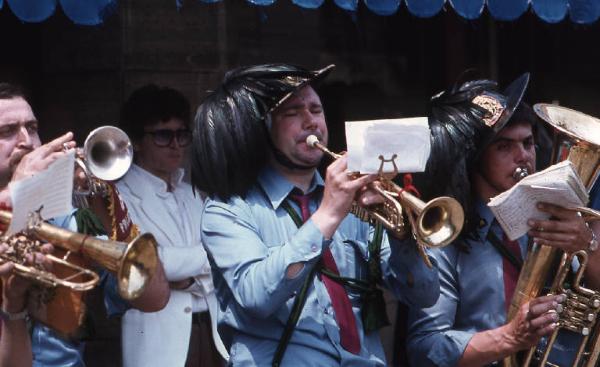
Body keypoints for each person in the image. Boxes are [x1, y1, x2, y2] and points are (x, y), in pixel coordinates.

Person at [191, 63, 440, 366]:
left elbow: (425, 296)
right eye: (293, 113)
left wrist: (402, 235)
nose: (311, 122)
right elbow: (256, 296)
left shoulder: (356, 204)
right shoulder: (228, 210)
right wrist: (328, 214)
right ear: (262, 129)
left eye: (316, 110)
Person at [406, 74, 600, 366]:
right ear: (475, 159)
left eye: (528, 142)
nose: (523, 156)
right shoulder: (444, 234)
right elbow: (425, 347)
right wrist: (511, 337)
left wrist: (590, 246)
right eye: (504, 146)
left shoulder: (559, 221)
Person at [0, 82, 169, 367]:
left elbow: (154, 297)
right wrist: (16, 195)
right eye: (7, 131)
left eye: (32, 127)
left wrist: (107, 200)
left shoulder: (66, 219)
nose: (27, 141)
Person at [115, 84, 227, 367]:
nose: (176, 144)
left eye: (181, 134)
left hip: (212, 333)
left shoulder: (192, 193)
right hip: (159, 342)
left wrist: (185, 278)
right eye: (163, 135)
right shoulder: (120, 196)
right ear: (137, 142)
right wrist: (206, 260)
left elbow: (227, 259)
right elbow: (148, 264)